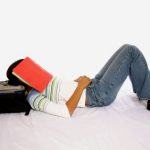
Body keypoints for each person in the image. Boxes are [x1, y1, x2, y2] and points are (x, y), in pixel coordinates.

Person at [7, 44, 150, 118]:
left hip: (91, 85)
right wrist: (80, 87)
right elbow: (66, 111)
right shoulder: (34, 97)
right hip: (97, 95)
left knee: (125, 47)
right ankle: (147, 95)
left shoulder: (40, 81)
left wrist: (76, 82)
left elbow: (59, 92)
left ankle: (145, 92)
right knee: (131, 51)